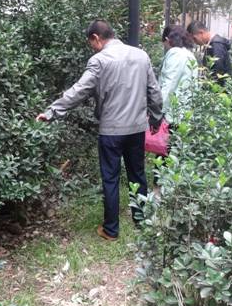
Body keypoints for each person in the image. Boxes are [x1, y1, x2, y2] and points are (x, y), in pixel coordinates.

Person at [36, 20, 162, 241]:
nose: (92, 48)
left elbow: (79, 91)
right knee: (137, 174)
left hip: (111, 131)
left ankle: (111, 230)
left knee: (111, 179)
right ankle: (142, 221)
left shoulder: (99, 60)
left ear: (96, 37)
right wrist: (156, 117)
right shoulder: (141, 56)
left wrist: (52, 111)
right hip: (136, 128)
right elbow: (154, 91)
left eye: (91, 43)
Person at [160, 26, 198, 125]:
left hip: (173, 115)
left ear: (167, 40)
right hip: (186, 113)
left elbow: (169, 84)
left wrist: (159, 110)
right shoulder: (190, 55)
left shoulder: (175, 53)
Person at [187, 21, 232, 85]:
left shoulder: (216, 45)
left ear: (201, 33)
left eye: (194, 38)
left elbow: (218, 71)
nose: (194, 42)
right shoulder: (212, 44)